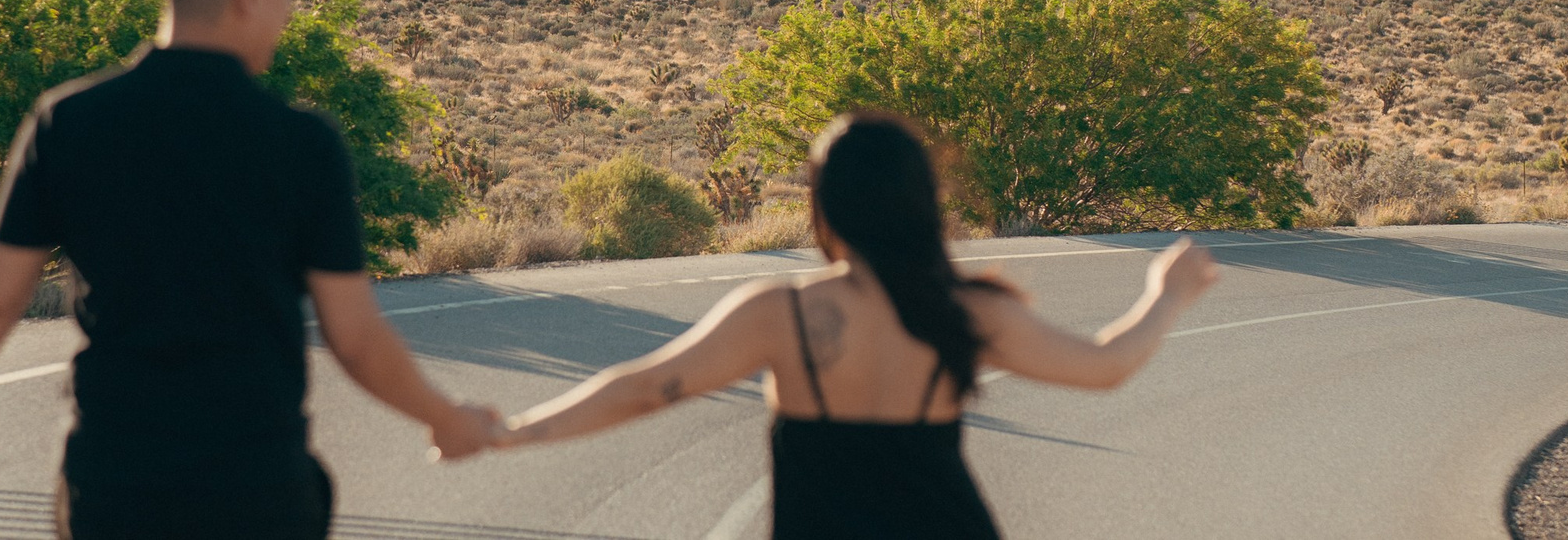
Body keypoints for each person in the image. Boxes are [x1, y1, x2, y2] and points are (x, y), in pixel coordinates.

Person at [0, 0, 499, 538]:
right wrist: (444, 415)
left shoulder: (70, 121)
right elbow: (353, 336)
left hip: (114, 491)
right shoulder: (301, 143)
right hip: (258, 493)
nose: (289, 11)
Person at [488, 112, 1221, 538]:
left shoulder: (783, 314)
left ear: (825, 206)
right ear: (919, 202)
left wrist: (513, 430)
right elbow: (1106, 363)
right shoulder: (962, 308)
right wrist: (1167, 290)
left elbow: (645, 387)